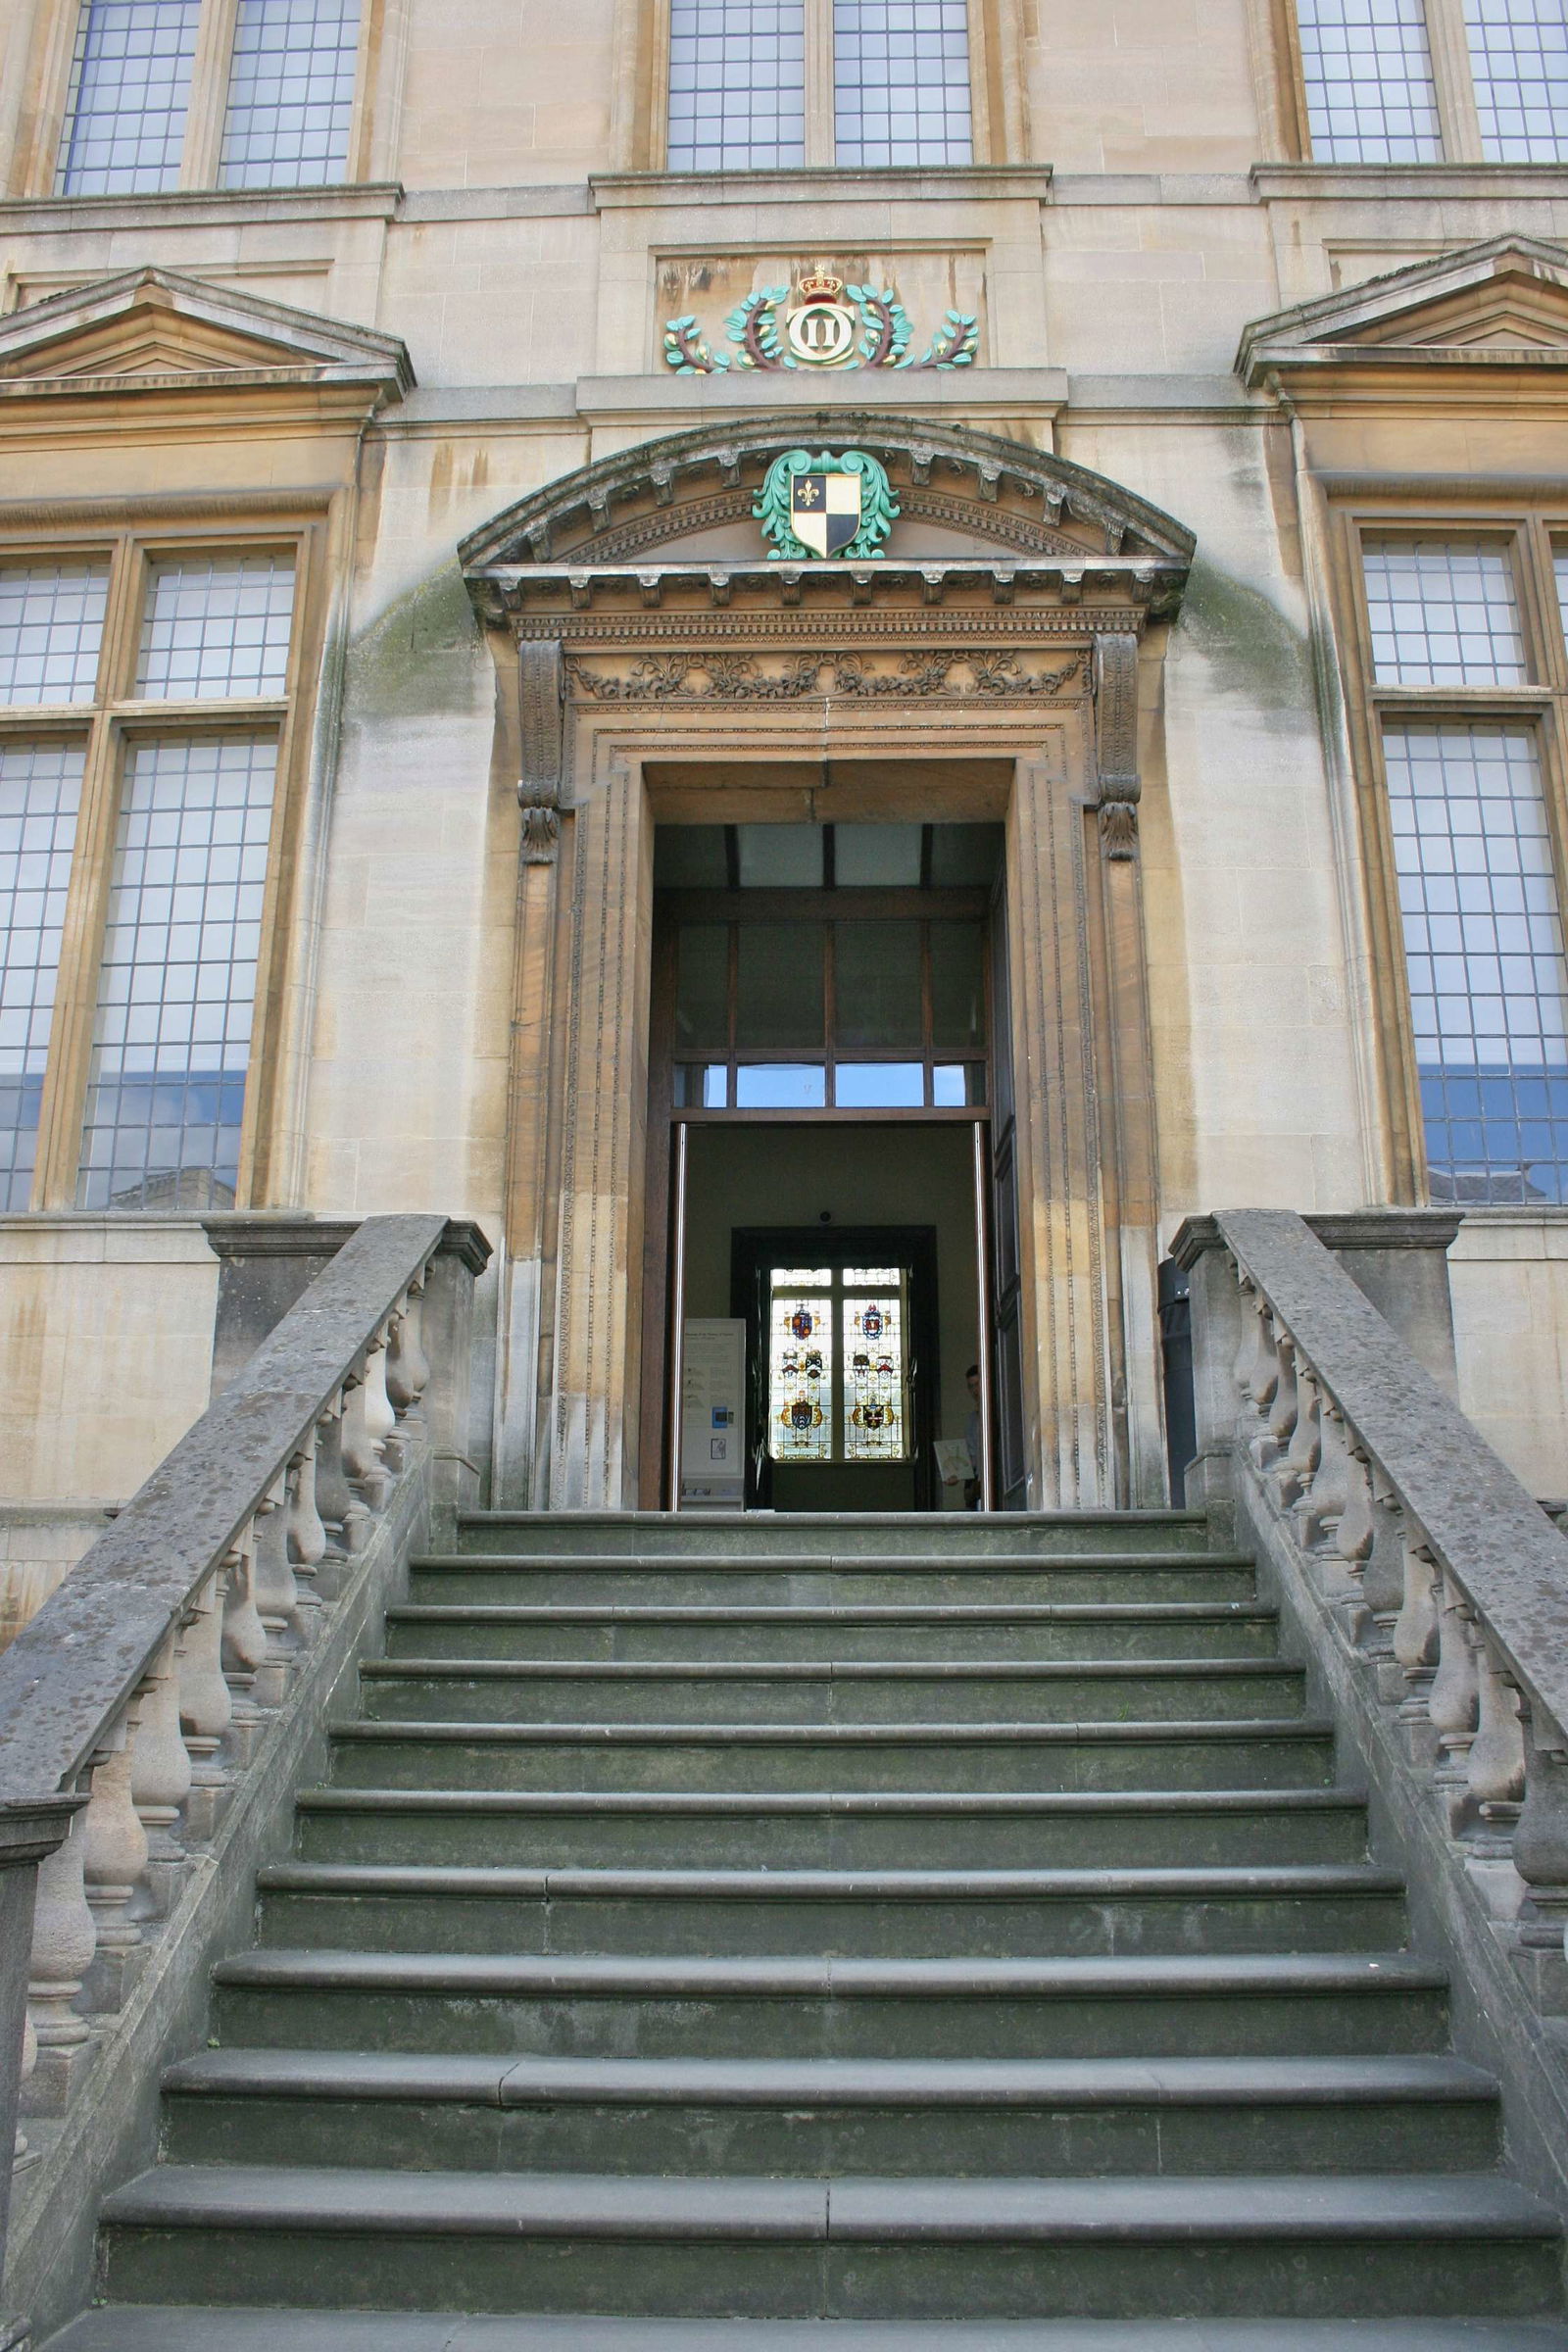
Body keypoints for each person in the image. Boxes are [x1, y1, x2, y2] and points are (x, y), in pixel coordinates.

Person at [963, 1362, 982, 1510]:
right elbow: (971, 1454)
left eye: (977, 1384)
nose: (975, 1390)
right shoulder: (971, 1420)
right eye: (971, 1386)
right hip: (975, 1480)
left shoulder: (1000, 1412)